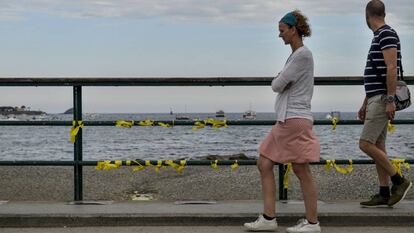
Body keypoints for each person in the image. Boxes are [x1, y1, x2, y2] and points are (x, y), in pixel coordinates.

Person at [244, 10, 321, 233]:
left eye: (282, 31)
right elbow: (282, 81)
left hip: (293, 119)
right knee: (268, 163)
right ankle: (272, 218)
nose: (280, 35)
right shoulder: (297, 55)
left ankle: (310, 222)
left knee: (298, 169)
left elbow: (277, 84)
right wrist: (282, 78)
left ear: (293, 29)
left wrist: (281, 78)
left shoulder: (302, 55)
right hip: (292, 118)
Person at [359, 0, 412, 208]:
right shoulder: (379, 36)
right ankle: (383, 192)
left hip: (382, 99)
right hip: (375, 97)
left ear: (367, 15)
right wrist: (365, 101)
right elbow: (377, 72)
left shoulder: (386, 34)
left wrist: (390, 100)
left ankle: (399, 181)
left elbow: (391, 68)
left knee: (365, 144)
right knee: (378, 146)